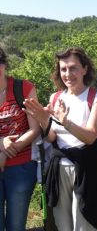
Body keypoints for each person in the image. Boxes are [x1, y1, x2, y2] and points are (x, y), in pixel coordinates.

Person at [24, 47, 97, 231]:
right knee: (63, 225)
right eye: (63, 69)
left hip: (87, 170)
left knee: (85, 224)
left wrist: (66, 122)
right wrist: (43, 122)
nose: (68, 74)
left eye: (73, 68)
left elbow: (90, 136)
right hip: (59, 170)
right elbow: (51, 138)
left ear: (85, 69)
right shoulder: (56, 97)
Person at [0, 47, 40, 231]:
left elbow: (35, 129)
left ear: (5, 64)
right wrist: (2, 144)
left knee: (16, 225)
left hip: (21, 166)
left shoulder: (23, 88)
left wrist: (9, 150)